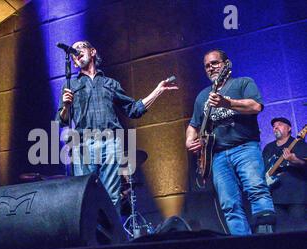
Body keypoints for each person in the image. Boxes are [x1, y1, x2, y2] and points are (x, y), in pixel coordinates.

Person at [55, 40, 178, 213]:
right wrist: (67, 106)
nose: (76, 52)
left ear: (92, 52)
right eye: (74, 51)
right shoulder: (71, 86)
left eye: (80, 47)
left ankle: (111, 239)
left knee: (111, 196)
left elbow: (134, 109)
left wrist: (158, 91)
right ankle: (90, 238)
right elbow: (62, 120)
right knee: (84, 196)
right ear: (73, 61)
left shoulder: (111, 84)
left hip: (110, 143)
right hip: (82, 144)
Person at [185, 49, 275, 235]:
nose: (211, 68)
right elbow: (193, 125)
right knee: (229, 205)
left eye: (215, 63)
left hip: (245, 148)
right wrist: (189, 140)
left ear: (226, 64)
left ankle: (267, 243)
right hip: (217, 156)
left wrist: (227, 103)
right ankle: (243, 247)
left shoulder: (243, 83)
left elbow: (256, 106)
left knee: (256, 190)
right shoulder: (202, 96)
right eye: (207, 66)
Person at [262, 117, 307, 231]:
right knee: (281, 234)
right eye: (274, 126)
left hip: (297, 198)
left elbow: (305, 165)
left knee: (299, 231)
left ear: (289, 128)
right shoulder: (268, 148)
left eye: (280, 124)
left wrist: (294, 159)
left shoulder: (298, 144)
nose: (276, 127)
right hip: (275, 199)